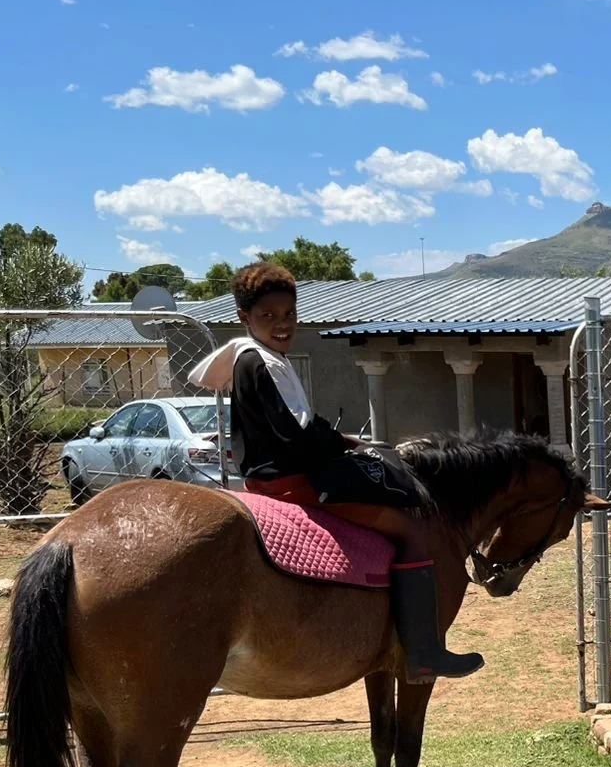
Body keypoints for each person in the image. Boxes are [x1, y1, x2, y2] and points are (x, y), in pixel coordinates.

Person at [188, 261, 482, 682]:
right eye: (268, 317)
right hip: (292, 482)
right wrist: (344, 447)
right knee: (411, 530)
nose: (282, 324)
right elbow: (295, 433)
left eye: (288, 314)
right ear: (244, 318)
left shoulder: (254, 358)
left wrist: (344, 439)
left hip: (267, 476)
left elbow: (296, 424)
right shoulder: (263, 363)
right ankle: (423, 652)